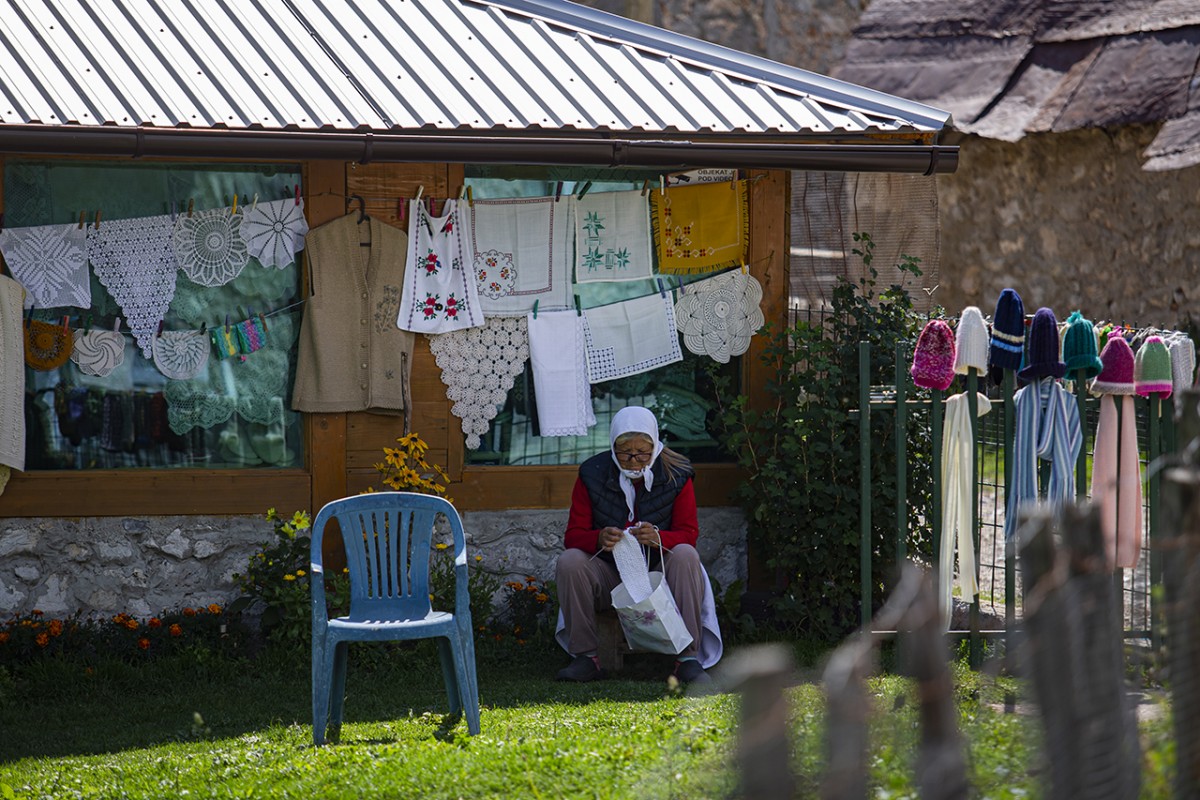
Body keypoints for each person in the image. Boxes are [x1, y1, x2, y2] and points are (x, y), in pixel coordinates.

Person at [555, 406, 714, 684]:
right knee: (570, 561)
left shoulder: (677, 473)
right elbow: (573, 535)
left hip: (660, 577)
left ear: (655, 446)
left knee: (686, 555)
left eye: (642, 452)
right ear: (612, 447)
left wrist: (659, 538)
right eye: (624, 452)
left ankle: (688, 660)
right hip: (611, 576)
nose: (633, 460)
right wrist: (599, 538)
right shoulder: (592, 473)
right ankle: (586, 657)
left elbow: (688, 534)